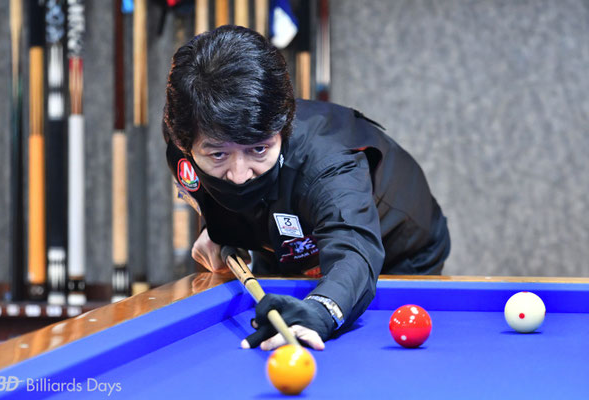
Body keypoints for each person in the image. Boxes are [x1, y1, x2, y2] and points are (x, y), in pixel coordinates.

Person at [162, 25, 450, 351]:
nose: (240, 175)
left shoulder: (327, 166)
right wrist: (216, 226)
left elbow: (354, 252)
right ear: (185, 145)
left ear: (282, 130)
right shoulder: (184, 136)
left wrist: (322, 309)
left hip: (395, 247)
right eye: (218, 155)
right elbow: (206, 188)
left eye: (258, 149)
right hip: (286, 242)